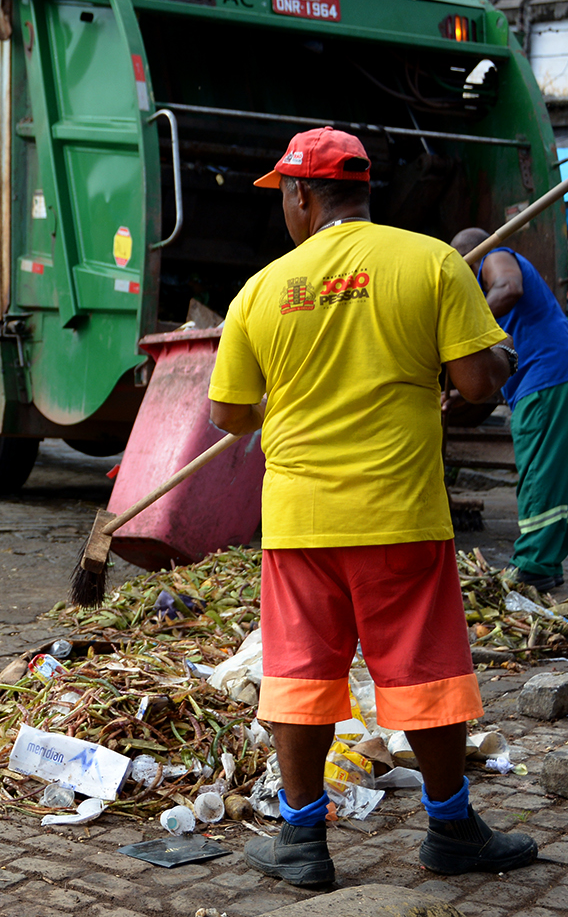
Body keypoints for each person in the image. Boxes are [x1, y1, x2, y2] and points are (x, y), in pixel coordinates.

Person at [208, 128, 535, 887]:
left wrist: (290, 397)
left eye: (282, 197)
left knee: (298, 675)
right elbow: (479, 385)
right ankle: (451, 830)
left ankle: (301, 842)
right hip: (400, 515)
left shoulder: (262, 289)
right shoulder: (431, 263)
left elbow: (228, 414)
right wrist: (486, 359)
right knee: (424, 673)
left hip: (299, 523)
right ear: (361, 190)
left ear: (299, 195)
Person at [450, 230, 568, 593]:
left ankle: (532, 564)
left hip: (551, 377)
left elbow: (508, 288)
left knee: (540, 474)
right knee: (555, 476)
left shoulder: (494, 257)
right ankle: (546, 563)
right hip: (567, 375)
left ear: (469, 258)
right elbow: (499, 366)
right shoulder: (500, 299)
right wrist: (461, 394)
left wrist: (463, 322)